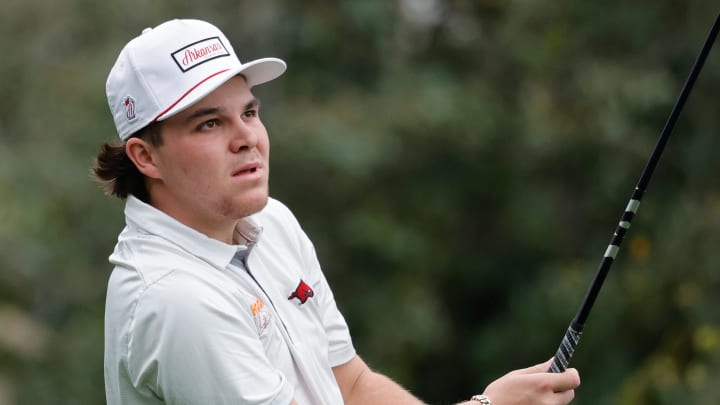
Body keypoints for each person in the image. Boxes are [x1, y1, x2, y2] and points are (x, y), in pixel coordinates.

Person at [94, 18, 580, 405]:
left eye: (248, 112)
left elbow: (353, 387)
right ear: (146, 157)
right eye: (208, 124)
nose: (247, 138)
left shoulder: (272, 223)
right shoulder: (177, 302)